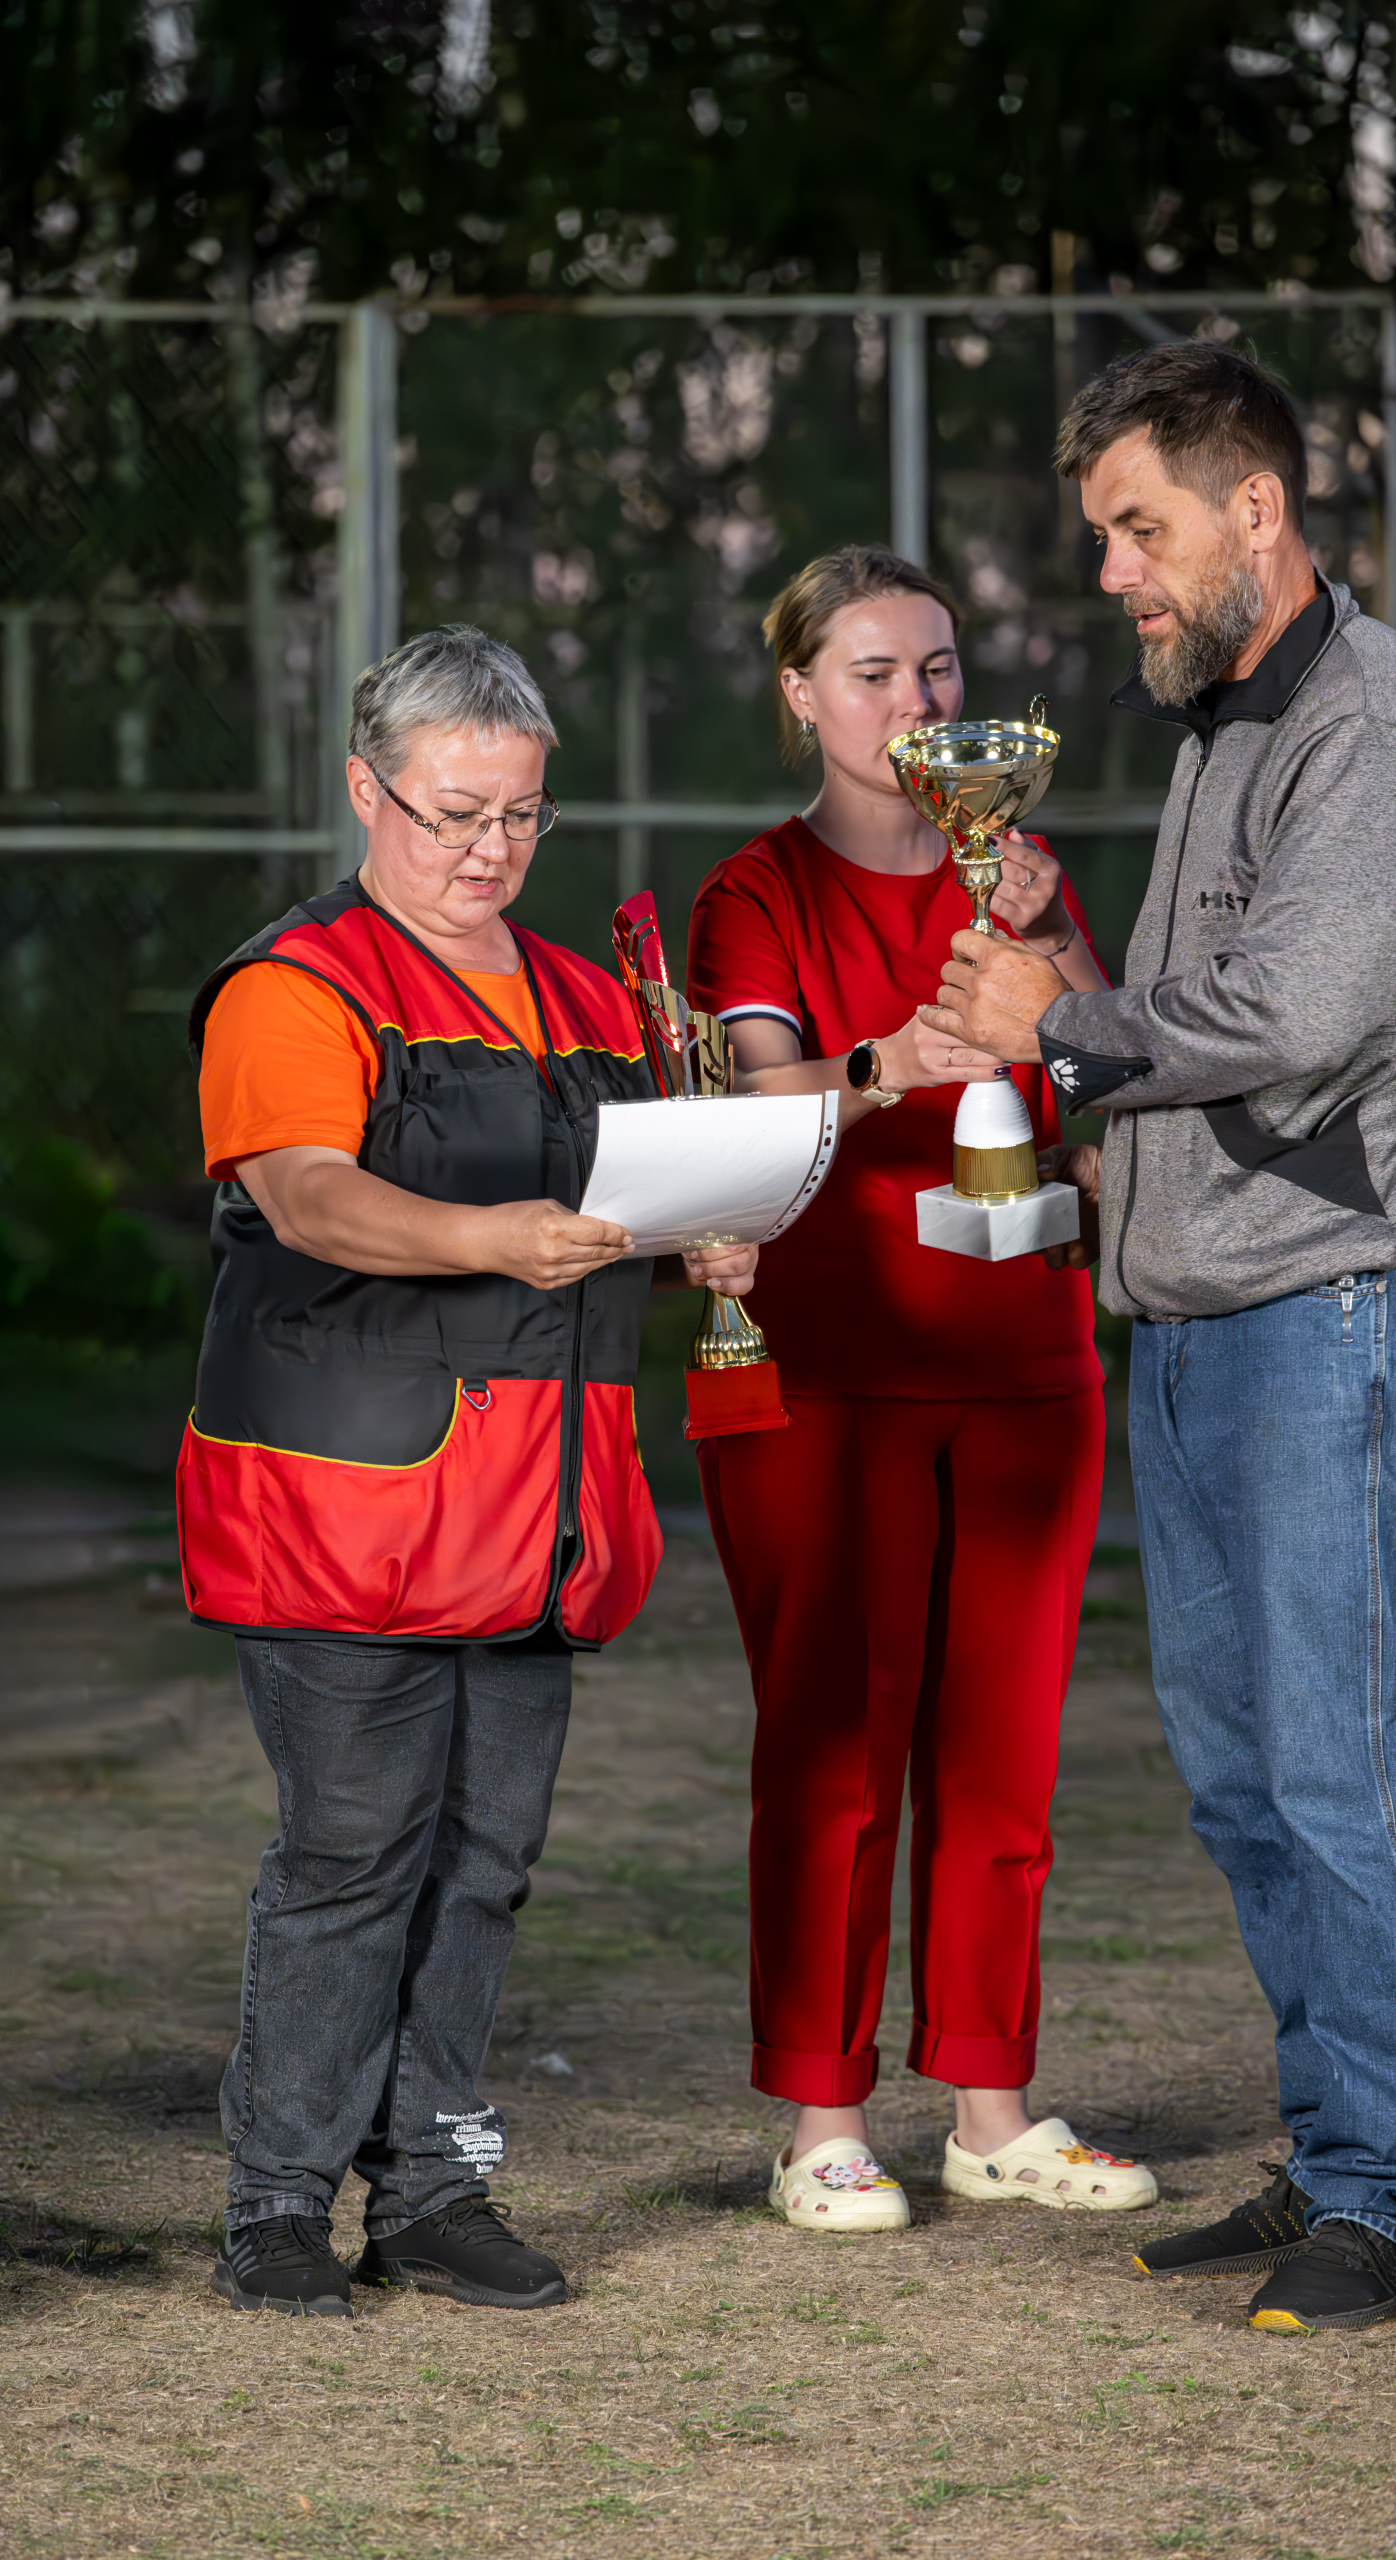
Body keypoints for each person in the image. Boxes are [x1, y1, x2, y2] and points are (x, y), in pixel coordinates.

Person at [925, 346, 1396, 2333]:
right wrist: (1059, 957)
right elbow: (1178, 1016)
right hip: (1196, 1315)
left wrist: (1050, 1024)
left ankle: (1391, 2190)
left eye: (1135, 527)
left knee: (1333, 1761)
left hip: (1327, 1308)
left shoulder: (1373, 722)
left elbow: (1296, 1019)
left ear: (1254, 510)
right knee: (1244, 1772)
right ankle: (1332, 2142)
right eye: (1101, 535)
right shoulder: (1220, 719)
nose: (1111, 573)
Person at [179, 625, 758, 2317]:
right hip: (345, 1514)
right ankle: (278, 2204)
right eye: (453, 813)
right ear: (369, 792)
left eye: (520, 814)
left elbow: (616, 1217)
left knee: (485, 1864)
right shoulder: (299, 983)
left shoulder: (587, 1003)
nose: (490, 848)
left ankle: (431, 2188)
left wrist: (694, 1251)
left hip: (540, 1515)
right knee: (352, 1859)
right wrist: (492, 1238)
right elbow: (306, 1196)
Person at [685, 544, 1158, 2231]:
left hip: (1027, 1359)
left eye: (941, 670)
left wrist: (1052, 957)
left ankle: (991, 2106)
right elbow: (754, 1112)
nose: (915, 702)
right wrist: (889, 1059)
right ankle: (821, 2118)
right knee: (835, 1750)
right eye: (874, 673)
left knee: (1005, 1750)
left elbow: (1119, 1072)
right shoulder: (756, 891)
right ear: (801, 692)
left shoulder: (1019, 874)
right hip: (833, 1375)